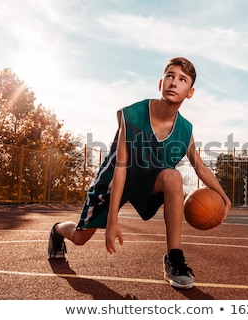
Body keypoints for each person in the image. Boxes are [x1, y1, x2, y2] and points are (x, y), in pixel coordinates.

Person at [48, 57, 231, 289]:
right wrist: (112, 219)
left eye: (182, 80)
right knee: (80, 238)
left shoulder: (185, 130)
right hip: (113, 180)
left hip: (148, 183)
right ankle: (57, 230)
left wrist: (224, 197)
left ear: (190, 92)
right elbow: (121, 168)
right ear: (160, 83)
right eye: (170, 76)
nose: (174, 83)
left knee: (172, 177)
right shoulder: (133, 115)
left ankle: (174, 257)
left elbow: (200, 167)